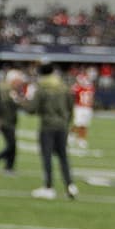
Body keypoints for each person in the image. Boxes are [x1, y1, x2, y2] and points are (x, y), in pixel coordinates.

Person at [25, 62, 76, 200]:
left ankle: (48, 187)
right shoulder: (64, 86)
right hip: (62, 126)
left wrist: (23, 102)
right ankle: (70, 185)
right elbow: (71, 106)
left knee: (47, 157)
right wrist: (67, 121)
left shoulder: (42, 88)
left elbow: (31, 109)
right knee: (63, 156)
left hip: (47, 126)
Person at [0, 69, 23, 175]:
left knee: (12, 145)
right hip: (5, 121)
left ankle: (9, 167)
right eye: (18, 81)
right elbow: (5, 105)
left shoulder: (9, 89)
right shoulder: (7, 90)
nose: (20, 83)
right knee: (11, 145)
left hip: (8, 120)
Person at [70, 68, 94, 149]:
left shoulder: (89, 87)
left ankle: (82, 139)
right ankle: (71, 135)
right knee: (77, 123)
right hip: (79, 107)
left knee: (85, 124)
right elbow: (72, 94)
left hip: (87, 108)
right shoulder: (78, 87)